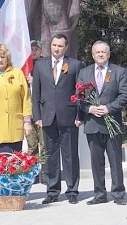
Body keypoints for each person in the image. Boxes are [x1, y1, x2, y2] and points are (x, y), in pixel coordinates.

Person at [77, 41, 127, 205]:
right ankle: (100, 194)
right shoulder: (84, 73)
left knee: (115, 161)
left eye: (103, 52)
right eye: (97, 52)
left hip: (112, 123)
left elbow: (124, 95)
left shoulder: (119, 72)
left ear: (108, 54)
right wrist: (89, 109)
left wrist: (108, 108)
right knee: (96, 162)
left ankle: (118, 194)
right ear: (92, 55)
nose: (100, 54)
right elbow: (77, 98)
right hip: (92, 123)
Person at [32, 33, 82, 204]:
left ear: (65, 47)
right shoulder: (39, 65)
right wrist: (37, 116)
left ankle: (72, 190)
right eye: (54, 45)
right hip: (47, 116)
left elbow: (79, 93)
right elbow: (36, 93)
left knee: (70, 155)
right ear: (50, 46)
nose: (56, 48)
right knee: (51, 155)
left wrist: (79, 114)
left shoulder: (75, 65)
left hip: (68, 116)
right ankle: (52, 190)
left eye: (60, 46)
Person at [25, 40, 45, 184]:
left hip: (42, 111)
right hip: (28, 111)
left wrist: (36, 81)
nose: (34, 51)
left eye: (36, 49)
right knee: (32, 144)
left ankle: (45, 171)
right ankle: (33, 172)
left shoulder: (45, 65)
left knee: (43, 143)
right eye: (31, 49)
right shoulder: (23, 66)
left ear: (41, 51)